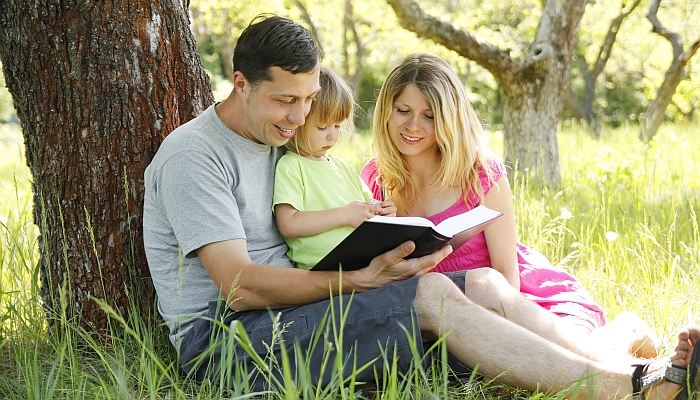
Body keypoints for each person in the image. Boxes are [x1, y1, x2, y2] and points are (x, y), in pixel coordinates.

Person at [142, 14, 700, 398]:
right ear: (240, 84)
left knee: (480, 282)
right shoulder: (196, 156)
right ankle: (624, 391)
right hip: (229, 345)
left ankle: (636, 370)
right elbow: (240, 287)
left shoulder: (281, 141)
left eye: (308, 100)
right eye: (286, 101)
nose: (298, 117)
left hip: (296, 314)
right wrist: (361, 279)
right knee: (431, 294)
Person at [360, 53, 660, 359]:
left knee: (574, 362)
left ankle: (627, 329)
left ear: (449, 118)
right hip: (442, 314)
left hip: (520, 303)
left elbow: (507, 275)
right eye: (403, 110)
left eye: (429, 115)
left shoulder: (480, 173)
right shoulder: (374, 178)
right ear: (387, 110)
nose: (413, 125)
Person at [273, 65, 395, 270]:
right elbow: (289, 223)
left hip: (362, 263)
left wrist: (382, 212)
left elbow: (365, 209)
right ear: (299, 121)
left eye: (337, 126)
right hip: (323, 272)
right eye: (322, 127)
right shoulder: (292, 166)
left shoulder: (344, 168)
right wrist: (345, 215)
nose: (332, 136)